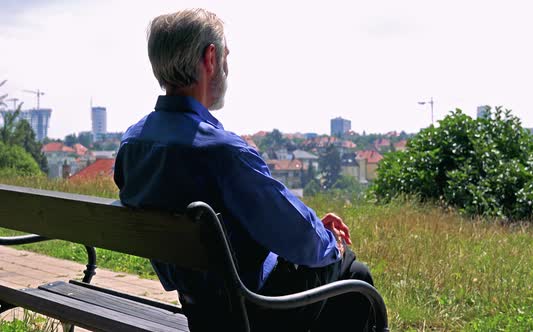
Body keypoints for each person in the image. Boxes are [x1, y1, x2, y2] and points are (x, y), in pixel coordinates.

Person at [114, 8, 375, 332]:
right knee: (353, 272)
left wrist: (309, 231)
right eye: (225, 57)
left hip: (199, 305)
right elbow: (304, 242)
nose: (226, 67)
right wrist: (330, 240)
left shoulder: (132, 145)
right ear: (211, 58)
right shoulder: (223, 150)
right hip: (250, 310)